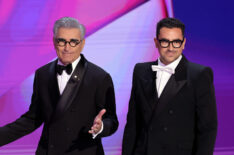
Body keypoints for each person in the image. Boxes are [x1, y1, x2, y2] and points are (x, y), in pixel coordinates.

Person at [0, 17, 118, 155]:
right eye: (61, 41)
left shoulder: (99, 77)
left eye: (73, 42)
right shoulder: (42, 74)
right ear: (54, 42)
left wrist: (101, 127)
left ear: (82, 43)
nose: (67, 48)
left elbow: (112, 120)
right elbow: (33, 119)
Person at [122, 17, 217, 155]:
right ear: (156, 42)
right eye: (165, 42)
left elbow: (207, 128)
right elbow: (132, 123)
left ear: (184, 43)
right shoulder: (140, 71)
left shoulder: (199, 75)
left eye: (176, 42)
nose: (171, 48)